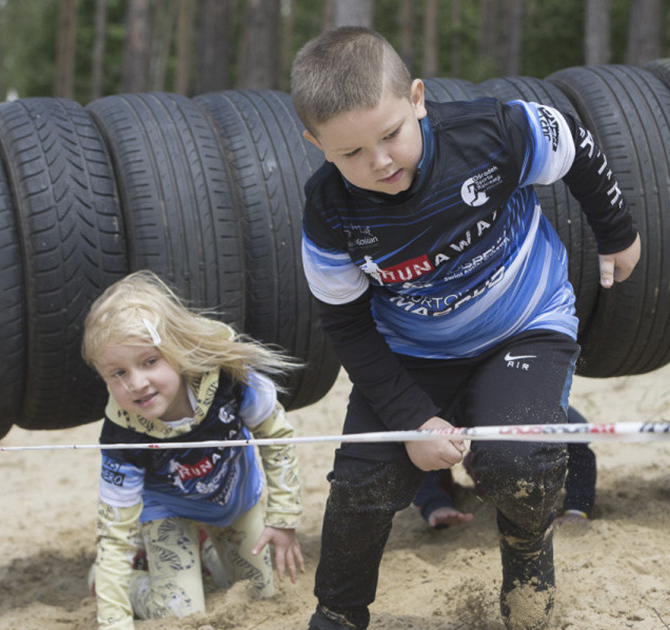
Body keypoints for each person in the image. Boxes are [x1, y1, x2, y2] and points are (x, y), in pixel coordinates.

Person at [291, 27, 640, 630]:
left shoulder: (492, 132)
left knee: (518, 463)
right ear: (315, 143)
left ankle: (528, 575)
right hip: (412, 351)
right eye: (349, 153)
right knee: (363, 481)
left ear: (418, 99)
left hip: (526, 325)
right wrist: (413, 419)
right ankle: (338, 614)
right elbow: (345, 325)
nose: (379, 162)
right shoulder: (328, 211)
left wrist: (618, 232)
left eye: (391, 135)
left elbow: (575, 142)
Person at [82, 270, 306, 630]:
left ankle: (204, 551)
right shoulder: (121, 432)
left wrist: (283, 518)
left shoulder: (230, 377)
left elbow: (276, 437)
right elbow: (114, 530)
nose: (136, 383)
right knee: (182, 615)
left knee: (259, 594)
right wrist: (113, 622)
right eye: (117, 373)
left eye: (150, 361)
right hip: (166, 509)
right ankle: (133, 583)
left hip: (233, 495)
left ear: (176, 350)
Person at [413, 405, 598, 530]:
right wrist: (436, 505)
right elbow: (423, 445)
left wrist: (577, 509)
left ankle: (499, 463)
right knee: (430, 441)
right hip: (454, 388)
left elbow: (580, 444)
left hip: (520, 397)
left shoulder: (542, 403)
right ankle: (484, 466)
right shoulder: (447, 400)